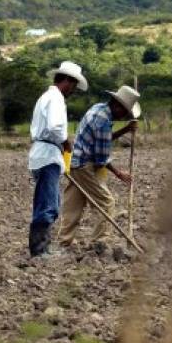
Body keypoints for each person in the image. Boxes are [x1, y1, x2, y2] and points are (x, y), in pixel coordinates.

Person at [58, 85, 140, 251]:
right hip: (84, 166)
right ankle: (99, 242)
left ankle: (64, 242)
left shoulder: (98, 109)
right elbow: (101, 157)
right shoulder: (103, 121)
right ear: (118, 106)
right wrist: (118, 172)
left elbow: (103, 139)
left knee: (73, 204)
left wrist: (125, 129)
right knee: (106, 202)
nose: (123, 116)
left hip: (75, 162)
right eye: (124, 113)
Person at [27, 61, 88, 257]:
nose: (73, 90)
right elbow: (55, 127)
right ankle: (39, 250)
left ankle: (43, 247)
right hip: (47, 155)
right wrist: (66, 141)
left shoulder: (47, 97)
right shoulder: (55, 98)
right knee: (47, 204)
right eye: (73, 86)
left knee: (49, 201)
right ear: (67, 81)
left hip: (45, 153)